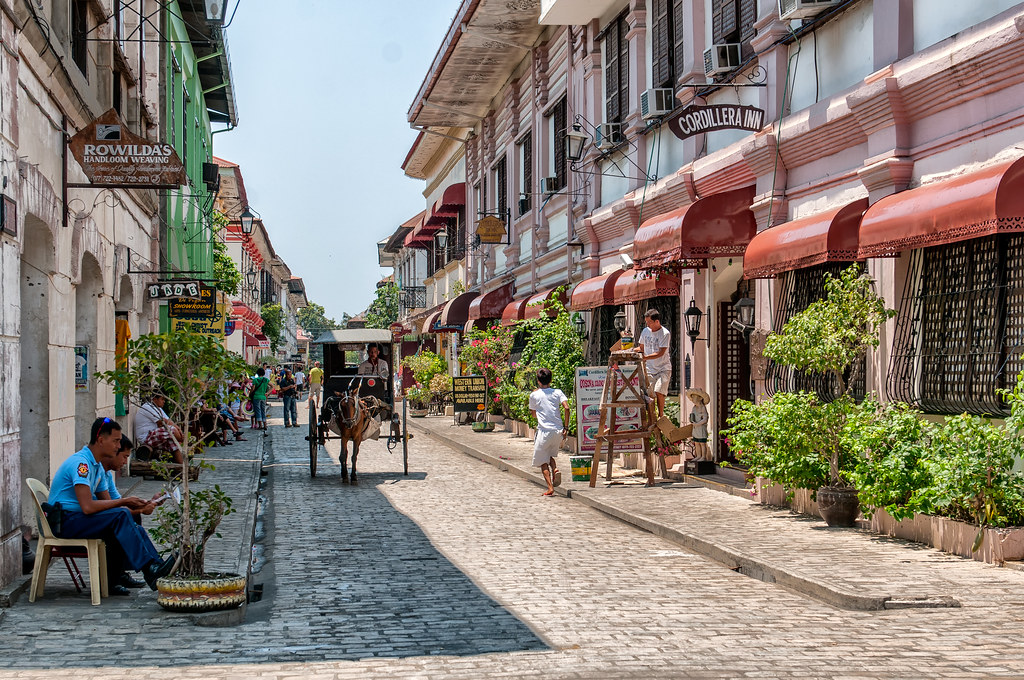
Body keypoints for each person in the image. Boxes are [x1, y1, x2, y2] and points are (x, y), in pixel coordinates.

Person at [46, 418, 175, 592]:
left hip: (77, 519)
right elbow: (88, 507)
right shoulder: (81, 464)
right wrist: (124, 502)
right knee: (122, 514)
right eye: (115, 441)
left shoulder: (97, 467)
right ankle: (149, 568)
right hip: (64, 521)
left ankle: (149, 568)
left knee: (125, 514)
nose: (117, 446)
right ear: (101, 440)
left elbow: (109, 505)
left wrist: (141, 506)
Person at [101, 436, 164, 590]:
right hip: (78, 519)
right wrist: (141, 509)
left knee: (131, 516)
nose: (124, 462)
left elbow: (118, 502)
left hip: (96, 516)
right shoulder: (91, 468)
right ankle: (148, 567)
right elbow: (113, 508)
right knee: (125, 517)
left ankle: (153, 565)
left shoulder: (107, 474)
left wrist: (148, 502)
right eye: (124, 457)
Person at [529, 368, 570, 497]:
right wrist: (566, 427)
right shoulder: (558, 392)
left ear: (538, 381)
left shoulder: (534, 395)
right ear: (551, 380)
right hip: (558, 431)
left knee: (542, 461)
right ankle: (555, 468)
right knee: (548, 454)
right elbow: (567, 408)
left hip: (544, 431)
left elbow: (534, 415)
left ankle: (550, 487)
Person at [134, 390, 185, 463]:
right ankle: (183, 440)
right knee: (171, 430)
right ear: (155, 399)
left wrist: (179, 430)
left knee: (173, 443)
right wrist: (181, 436)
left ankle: (181, 467)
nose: (164, 401)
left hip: (153, 435)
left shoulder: (158, 409)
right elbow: (162, 421)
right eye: (162, 399)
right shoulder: (148, 407)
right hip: (146, 437)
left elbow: (169, 420)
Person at [639, 308, 672, 419]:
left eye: (649, 322)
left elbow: (661, 352)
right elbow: (641, 347)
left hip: (663, 367)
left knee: (660, 391)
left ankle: (661, 415)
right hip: (649, 368)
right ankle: (651, 416)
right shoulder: (645, 331)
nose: (647, 324)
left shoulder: (665, 333)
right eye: (646, 322)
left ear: (657, 321)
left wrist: (645, 357)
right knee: (649, 393)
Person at [686, 387, 711, 462]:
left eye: (695, 397)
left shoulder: (702, 407)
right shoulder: (694, 407)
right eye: (692, 397)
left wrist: (698, 424)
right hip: (695, 428)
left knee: (702, 443)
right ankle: (698, 455)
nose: (693, 399)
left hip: (701, 427)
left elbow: (705, 419)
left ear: (700, 398)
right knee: (696, 442)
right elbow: (692, 415)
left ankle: (703, 456)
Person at [250, 367, 271, 432]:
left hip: (256, 397)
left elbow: (253, 389)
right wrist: (267, 393)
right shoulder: (266, 380)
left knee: (258, 411)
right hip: (263, 397)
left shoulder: (255, 380)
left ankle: (260, 425)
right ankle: (265, 424)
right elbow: (272, 386)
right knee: (263, 411)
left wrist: (250, 394)